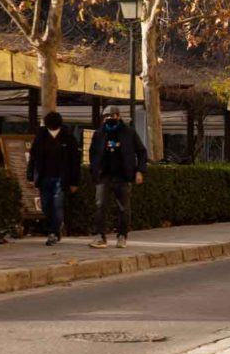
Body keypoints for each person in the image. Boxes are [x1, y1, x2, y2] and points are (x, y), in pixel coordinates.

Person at [89, 105, 147, 248]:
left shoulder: (129, 133)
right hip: (105, 175)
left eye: (112, 116)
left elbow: (141, 152)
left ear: (118, 116)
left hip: (123, 175)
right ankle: (100, 236)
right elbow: (92, 153)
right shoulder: (99, 133)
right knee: (100, 205)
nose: (109, 119)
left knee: (123, 208)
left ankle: (122, 235)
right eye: (106, 116)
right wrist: (94, 170)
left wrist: (140, 170)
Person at [26, 111, 80, 246]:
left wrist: (74, 181)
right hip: (44, 177)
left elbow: (75, 161)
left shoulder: (68, 138)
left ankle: (53, 232)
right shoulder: (41, 136)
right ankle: (54, 227)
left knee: (57, 205)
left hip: (61, 178)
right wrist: (31, 176)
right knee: (45, 206)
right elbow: (33, 157)